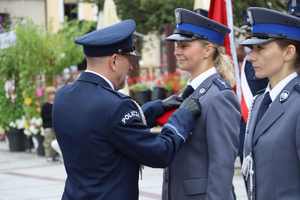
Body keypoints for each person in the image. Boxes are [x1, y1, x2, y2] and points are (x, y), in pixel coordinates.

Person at [52, 19, 201, 200]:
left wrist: (156, 108)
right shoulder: (116, 106)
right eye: (129, 59)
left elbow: (102, 128)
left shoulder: (63, 96)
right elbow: (160, 153)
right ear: (114, 61)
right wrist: (182, 118)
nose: (131, 67)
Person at [143, 8, 240, 200]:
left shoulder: (219, 96)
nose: (177, 51)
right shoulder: (188, 92)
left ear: (207, 49)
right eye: (176, 45)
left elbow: (221, 166)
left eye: (184, 45)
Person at [241, 7, 300, 200]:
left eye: (261, 48)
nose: (251, 56)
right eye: (252, 48)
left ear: (289, 52)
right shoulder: (260, 101)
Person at [41, 86, 57, 160]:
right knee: (48, 141)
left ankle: (54, 155)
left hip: (56, 126)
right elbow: (44, 116)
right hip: (48, 126)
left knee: (55, 141)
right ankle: (49, 156)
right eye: (50, 94)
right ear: (47, 95)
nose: (52, 96)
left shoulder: (56, 104)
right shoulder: (45, 106)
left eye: (54, 94)